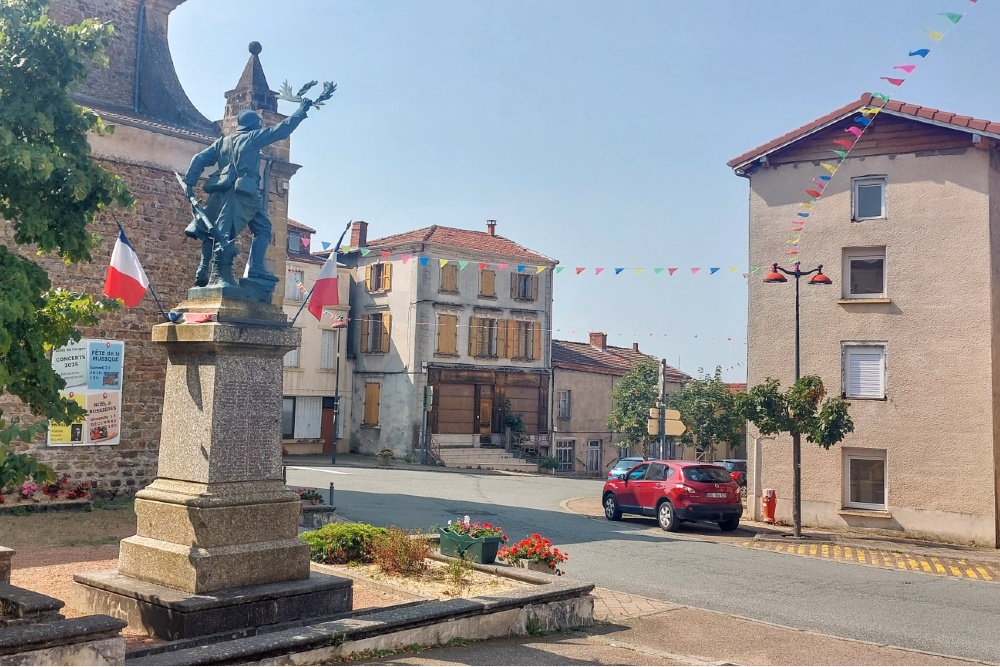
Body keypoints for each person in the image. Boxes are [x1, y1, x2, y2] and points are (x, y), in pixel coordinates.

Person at [183, 98, 313, 287]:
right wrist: (301, 110)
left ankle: (203, 267)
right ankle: (246, 269)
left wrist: (189, 182)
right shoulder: (252, 138)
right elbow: (282, 129)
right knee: (260, 229)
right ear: (253, 126)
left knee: (212, 229)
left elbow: (199, 158)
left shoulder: (222, 142)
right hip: (244, 193)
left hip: (220, 191)